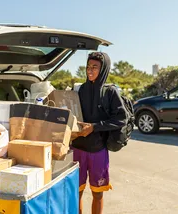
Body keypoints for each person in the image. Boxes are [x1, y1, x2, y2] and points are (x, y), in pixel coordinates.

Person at [72, 52, 127, 214]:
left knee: (97, 193)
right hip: (77, 149)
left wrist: (94, 127)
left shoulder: (110, 92)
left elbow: (121, 119)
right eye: (88, 67)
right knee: (76, 193)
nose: (90, 70)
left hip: (98, 150)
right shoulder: (80, 90)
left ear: (103, 69)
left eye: (94, 67)